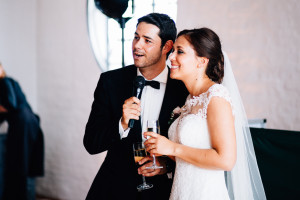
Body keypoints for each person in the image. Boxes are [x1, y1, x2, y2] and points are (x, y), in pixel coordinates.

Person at [144, 28, 266, 199]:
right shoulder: (189, 99)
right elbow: (191, 155)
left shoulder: (216, 96)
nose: (171, 57)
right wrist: (164, 161)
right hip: (181, 192)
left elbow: (226, 160)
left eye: (179, 51)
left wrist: (172, 147)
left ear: (201, 61)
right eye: (173, 51)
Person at [84, 13, 188, 200]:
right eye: (136, 37)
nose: (137, 45)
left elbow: (195, 148)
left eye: (147, 40)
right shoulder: (110, 82)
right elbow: (91, 143)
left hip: (163, 192)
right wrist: (121, 124)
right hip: (113, 189)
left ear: (167, 46)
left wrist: (168, 165)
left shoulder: (184, 89)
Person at [0, 62, 44, 200]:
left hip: (23, 125)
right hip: (29, 124)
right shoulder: (10, 82)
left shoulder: (6, 82)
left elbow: (10, 104)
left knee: (21, 166)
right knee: (25, 166)